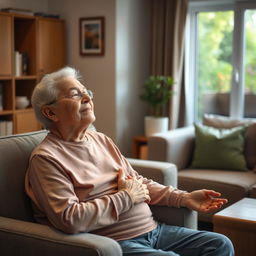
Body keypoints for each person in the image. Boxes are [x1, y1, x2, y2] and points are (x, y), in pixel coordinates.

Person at [25, 66, 234, 256]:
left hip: (154, 231)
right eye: (74, 95)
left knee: (220, 244)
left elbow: (138, 182)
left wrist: (184, 197)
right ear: (50, 112)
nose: (87, 98)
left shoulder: (100, 139)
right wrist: (126, 196)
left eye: (86, 93)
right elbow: (69, 219)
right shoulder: (46, 159)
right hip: (114, 243)